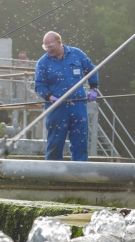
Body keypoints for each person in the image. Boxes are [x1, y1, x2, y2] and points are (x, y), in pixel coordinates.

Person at [34, 31, 99, 161]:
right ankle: (54, 176)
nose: (48, 50)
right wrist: (49, 97)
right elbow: (39, 85)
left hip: (78, 105)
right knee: (55, 144)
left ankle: (79, 175)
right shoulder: (43, 63)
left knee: (80, 143)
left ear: (59, 43)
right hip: (57, 108)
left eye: (51, 46)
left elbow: (91, 70)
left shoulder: (77, 54)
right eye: (45, 47)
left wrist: (93, 88)